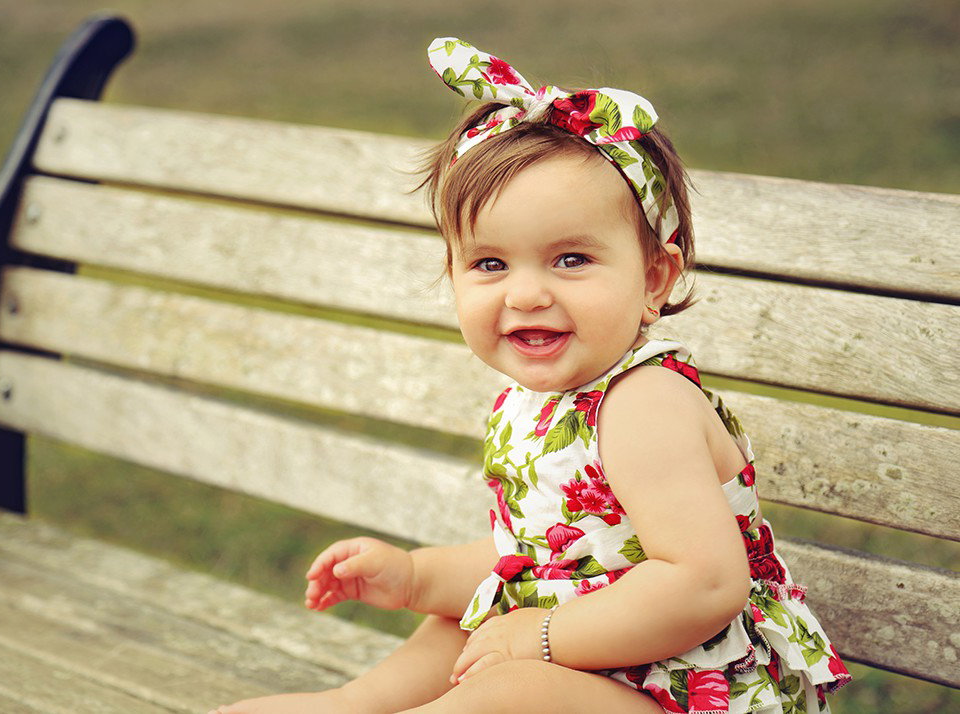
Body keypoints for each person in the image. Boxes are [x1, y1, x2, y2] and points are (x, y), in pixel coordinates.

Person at [210, 37, 851, 714]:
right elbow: (542, 567)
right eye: (490, 264)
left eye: (570, 259)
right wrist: (415, 575)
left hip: (695, 693)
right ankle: (350, 705)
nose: (525, 294)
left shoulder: (644, 403)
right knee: (474, 620)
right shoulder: (537, 402)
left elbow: (702, 585)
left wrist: (541, 637)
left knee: (516, 679)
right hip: (600, 670)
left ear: (653, 280)